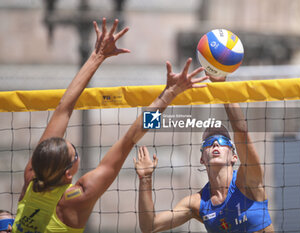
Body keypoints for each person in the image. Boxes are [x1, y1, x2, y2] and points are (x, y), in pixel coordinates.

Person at [12, 17, 208, 232]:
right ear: (69, 173)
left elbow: (63, 108)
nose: (75, 150)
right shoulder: (79, 196)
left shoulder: (33, 177)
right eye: (74, 153)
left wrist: (97, 56)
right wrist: (168, 96)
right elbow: (129, 140)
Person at [134, 75, 274, 232]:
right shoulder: (197, 203)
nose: (215, 143)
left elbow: (241, 131)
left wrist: (222, 87)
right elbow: (150, 227)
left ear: (234, 156)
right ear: (202, 159)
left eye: (223, 141)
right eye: (208, 142)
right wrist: (145, 179)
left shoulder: (248, 181)